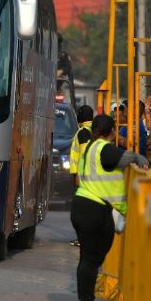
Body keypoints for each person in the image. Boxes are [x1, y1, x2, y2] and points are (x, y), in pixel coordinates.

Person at [71, 114, 147, 301]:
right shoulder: (103, 148)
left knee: (90, 256)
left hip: (84, 204)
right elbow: (120, 158)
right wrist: (136, 157)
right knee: (91, 257)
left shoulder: (89, 147)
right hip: (93, 207)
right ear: (111, 131)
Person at [67, 105, 94, 247]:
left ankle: (83, 239)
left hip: (84, 177)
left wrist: (78, 175)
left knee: (81, 211)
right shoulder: (92, 130)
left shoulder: (83, 132)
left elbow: (84, 155)